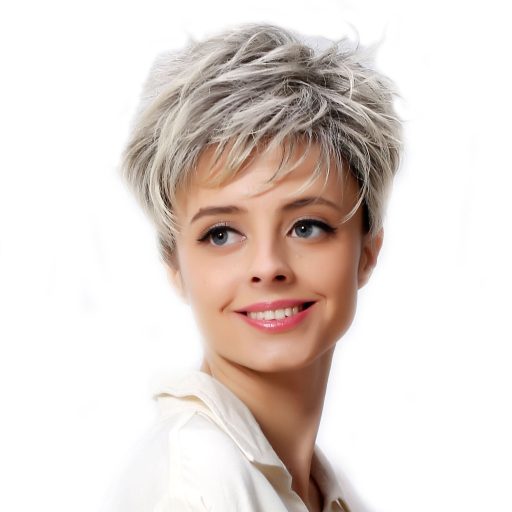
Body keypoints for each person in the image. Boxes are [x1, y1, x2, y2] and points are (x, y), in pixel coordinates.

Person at [104, 22, 402, 512]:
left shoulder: (328, 491)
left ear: (367, 251)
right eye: (221, 234)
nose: (268, 267)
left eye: (306, 226)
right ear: (175, 265)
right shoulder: (197, 488)